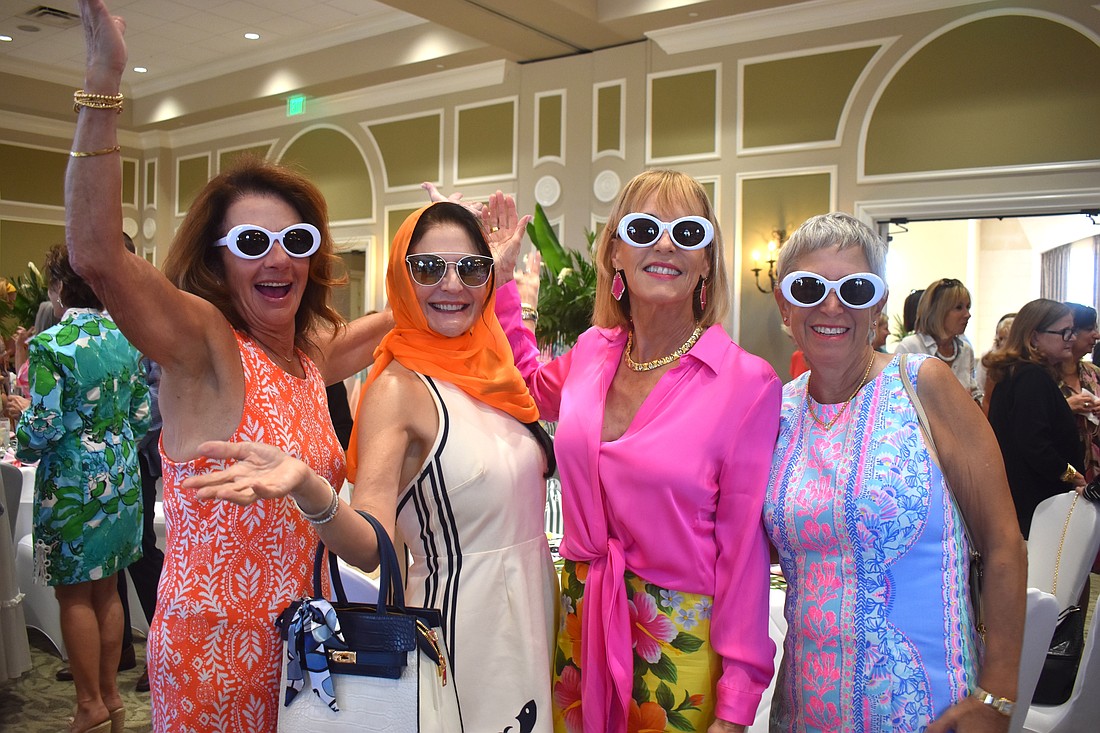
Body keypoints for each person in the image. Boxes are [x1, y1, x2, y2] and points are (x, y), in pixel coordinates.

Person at [65, 2, 392, 730]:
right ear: (219, 258)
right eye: (251, 242)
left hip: (306, 648)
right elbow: (95, 254)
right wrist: (103, 83)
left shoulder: (307, 359)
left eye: (294, 239)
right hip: (216, 653)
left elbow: (387, 326)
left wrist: (467, 276)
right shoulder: (206, 343)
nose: (277, 258)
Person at [184, 201, 559, 732]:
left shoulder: (493, 372)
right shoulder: (397, 389)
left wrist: (505, 284)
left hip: (529, 616)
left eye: (470, 268)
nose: (451, 284)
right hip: (459, 631)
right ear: (402, 281)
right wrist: (311, 489)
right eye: (428, 268)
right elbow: (370, 542)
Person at [488, 171, 781, 732]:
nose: (665, 244)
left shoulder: (747, 383)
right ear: (616, 253)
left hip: (676, 642)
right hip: (580, 625)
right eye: (644, 228)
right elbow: (520, 388)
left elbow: (744, 554)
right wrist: (502, 285)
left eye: (687, 232)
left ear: (706, 261)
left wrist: (737, 704)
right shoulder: (593, 352)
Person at [766, 213, 1026, 732]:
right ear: (784, 305)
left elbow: (1003, 542)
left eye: (856, 288)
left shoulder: (924, 384)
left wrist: (997, 696)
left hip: (928, 711)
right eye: (810, 287)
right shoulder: (777, 411)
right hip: (806, 711)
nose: (832, 305)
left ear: (879, 303)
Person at [15, 243, 150, 733]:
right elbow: (141, 415)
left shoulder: (52, 344)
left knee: (73, 596)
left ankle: (89, 703)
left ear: (58, 285)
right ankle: (111, 697)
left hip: (71, 482)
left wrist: (23, 438)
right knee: (108, 589)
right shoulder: (127, 336)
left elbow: (45, 425)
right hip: (120, 476)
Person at [985, 299, 1086, 537]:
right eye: (1064, 332)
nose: (1071, 338)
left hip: (1026, 500)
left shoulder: (1018, 373)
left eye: (1072, 331)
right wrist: (1072, 474)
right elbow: (1034, 444)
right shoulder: (1031, 378)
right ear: (1034, 337)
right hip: (1037, 503)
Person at [895, 277, 982, 402]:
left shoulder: (965, 350)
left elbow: (974, 393)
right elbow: (896, 398)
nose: (967, 314)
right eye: (959, 307)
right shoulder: (909, 348)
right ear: (938, 311)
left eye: (968, 307)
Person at [1058, 303, 1100, 481]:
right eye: (1090, 329)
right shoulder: (1043, 377)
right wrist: (1066, 408)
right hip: (1064, 474)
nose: (1096, 335)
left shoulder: (1094, 373)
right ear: (1070, 333)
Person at [978, 312, 1016, 414]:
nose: (1002, 343)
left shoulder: (1026, 368)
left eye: (1005, 338)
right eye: (1000, 339)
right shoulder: (992, 364)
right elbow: (986, 400)